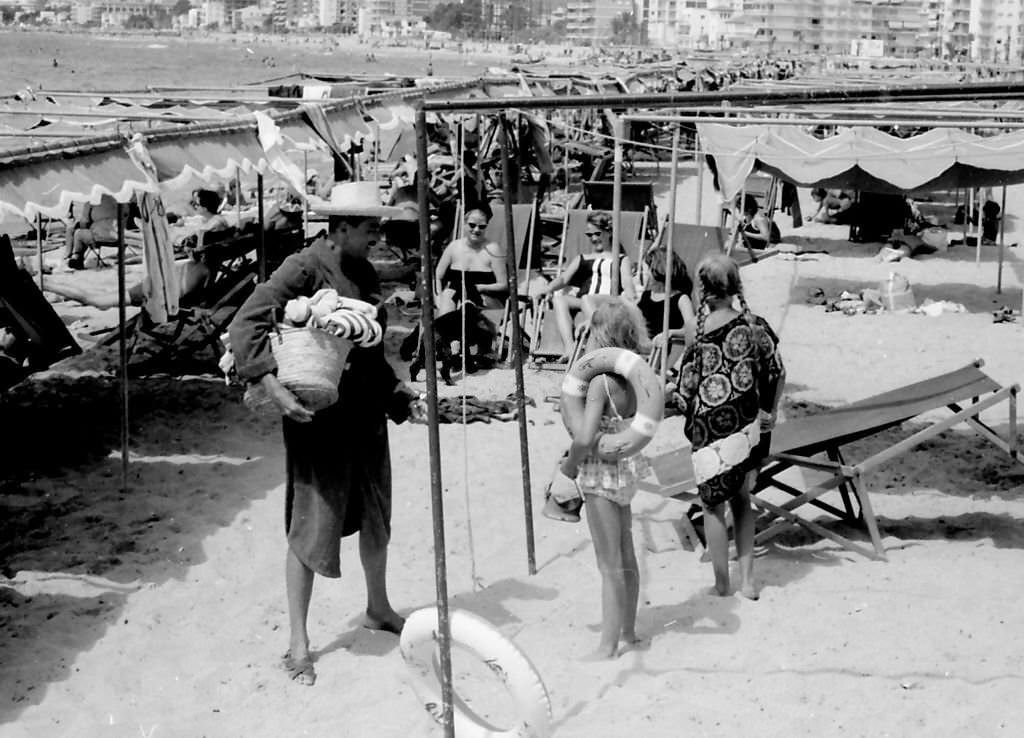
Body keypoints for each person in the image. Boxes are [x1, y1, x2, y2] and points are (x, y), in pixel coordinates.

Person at [227, 181, 424, 687]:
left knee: (376, 513)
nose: (376, 236)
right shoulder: (305, 266)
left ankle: (378, 607)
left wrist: (397, 396)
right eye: (368, 227)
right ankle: (297, 641)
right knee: (312, 525)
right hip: (317, 418)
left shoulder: (361, 271)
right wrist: (272, 383)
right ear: (339, 228)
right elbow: (246, 321)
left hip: (364, 414)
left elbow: (370, 350)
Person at [546, 299, 652, 659]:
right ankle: (629, 631)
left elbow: (586, 436)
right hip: (625, 471)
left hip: (600, 474)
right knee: (626, 552)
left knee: (609, 565)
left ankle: (607, 646)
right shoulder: (635, 377)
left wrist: (568, 467)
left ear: (599, 334)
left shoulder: (601, 383)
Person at [675, 254, 785, 600]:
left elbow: (687, 385)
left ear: (702, 289)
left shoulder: (697, 329)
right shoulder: (755, 325)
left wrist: (679, 399)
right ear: (735, 286)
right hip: (747, 425)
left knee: (712, 506)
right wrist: (771, 410)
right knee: (742, 500)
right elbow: (777, 371)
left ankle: (722, 583)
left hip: (710, 429)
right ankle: (749, 581)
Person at [535, 211, 636, 363]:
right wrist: (547, 289)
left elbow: (627, 284)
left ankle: (597, 329)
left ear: (608, 232)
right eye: (589, 235)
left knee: (587, 298)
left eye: (597, 233)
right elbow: (563, 278)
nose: (594, 238)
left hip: (608, 302)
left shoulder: (621, 259)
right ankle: (569, 348)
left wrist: (629, 296)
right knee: (560, 300)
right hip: (584, 302)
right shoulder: (582, 258)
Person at [636, 246, 695, 350]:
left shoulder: (681, 299)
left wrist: (671, 332)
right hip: (642, 348)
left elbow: (691, 329)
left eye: (646, 271)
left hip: (661, 352)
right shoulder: (646, 296)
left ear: (658, 271)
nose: (643, 275)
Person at [65, 194, 127, 270]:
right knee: (83, 232)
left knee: (79, 234)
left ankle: (77, 257)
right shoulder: (120, 197)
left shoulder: (92, 200)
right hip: (121, 235)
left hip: (100, 236)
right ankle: (73, 256)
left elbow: (84, 223)